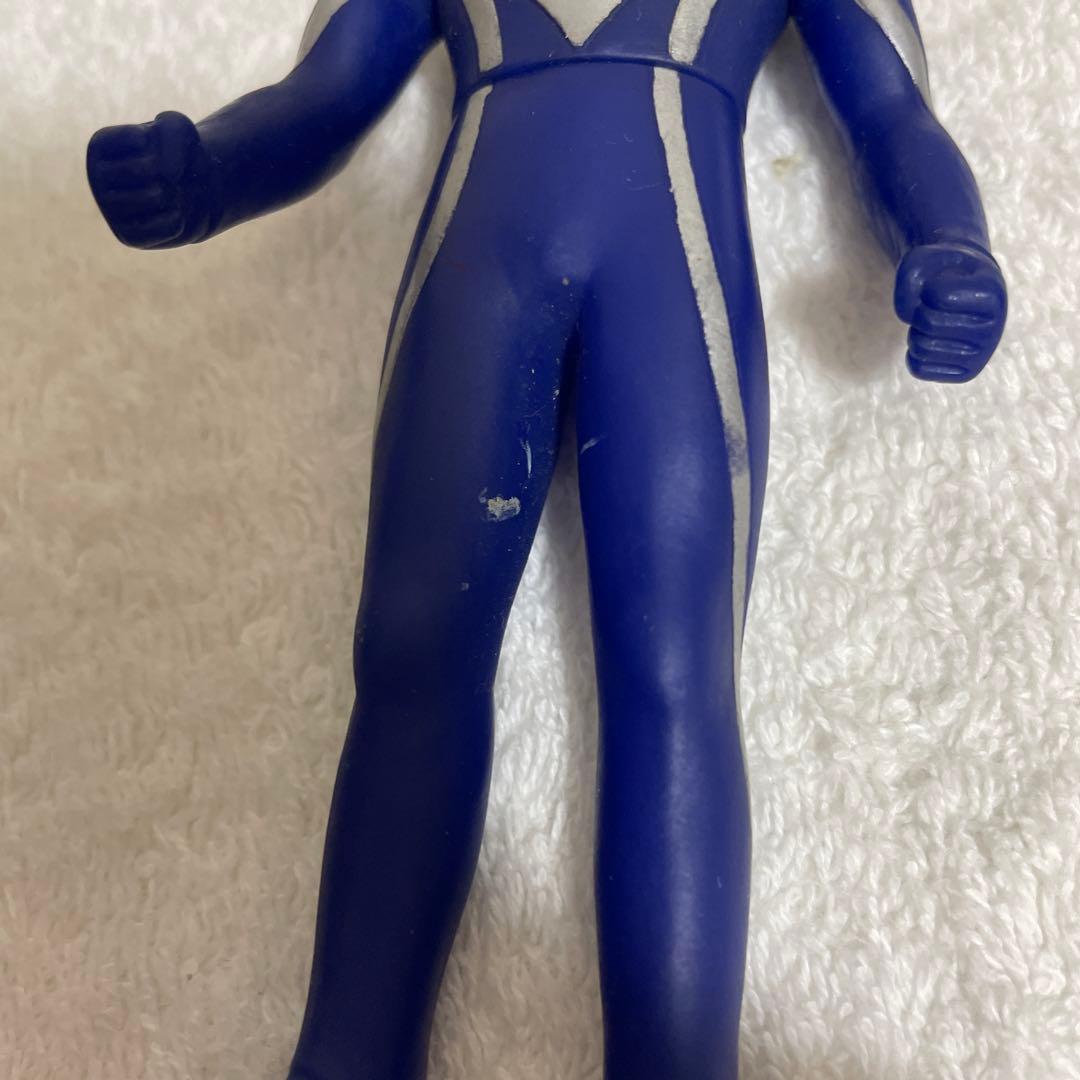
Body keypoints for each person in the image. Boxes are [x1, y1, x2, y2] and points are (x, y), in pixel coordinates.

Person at [86, 1, 1008, 1076]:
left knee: (672, 669)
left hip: (655, 292)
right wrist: (205, 172)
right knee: (412, 650)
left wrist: (954, 240)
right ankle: (351, 1047)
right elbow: (324, 95)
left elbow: (893, 110)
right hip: (501, 279)